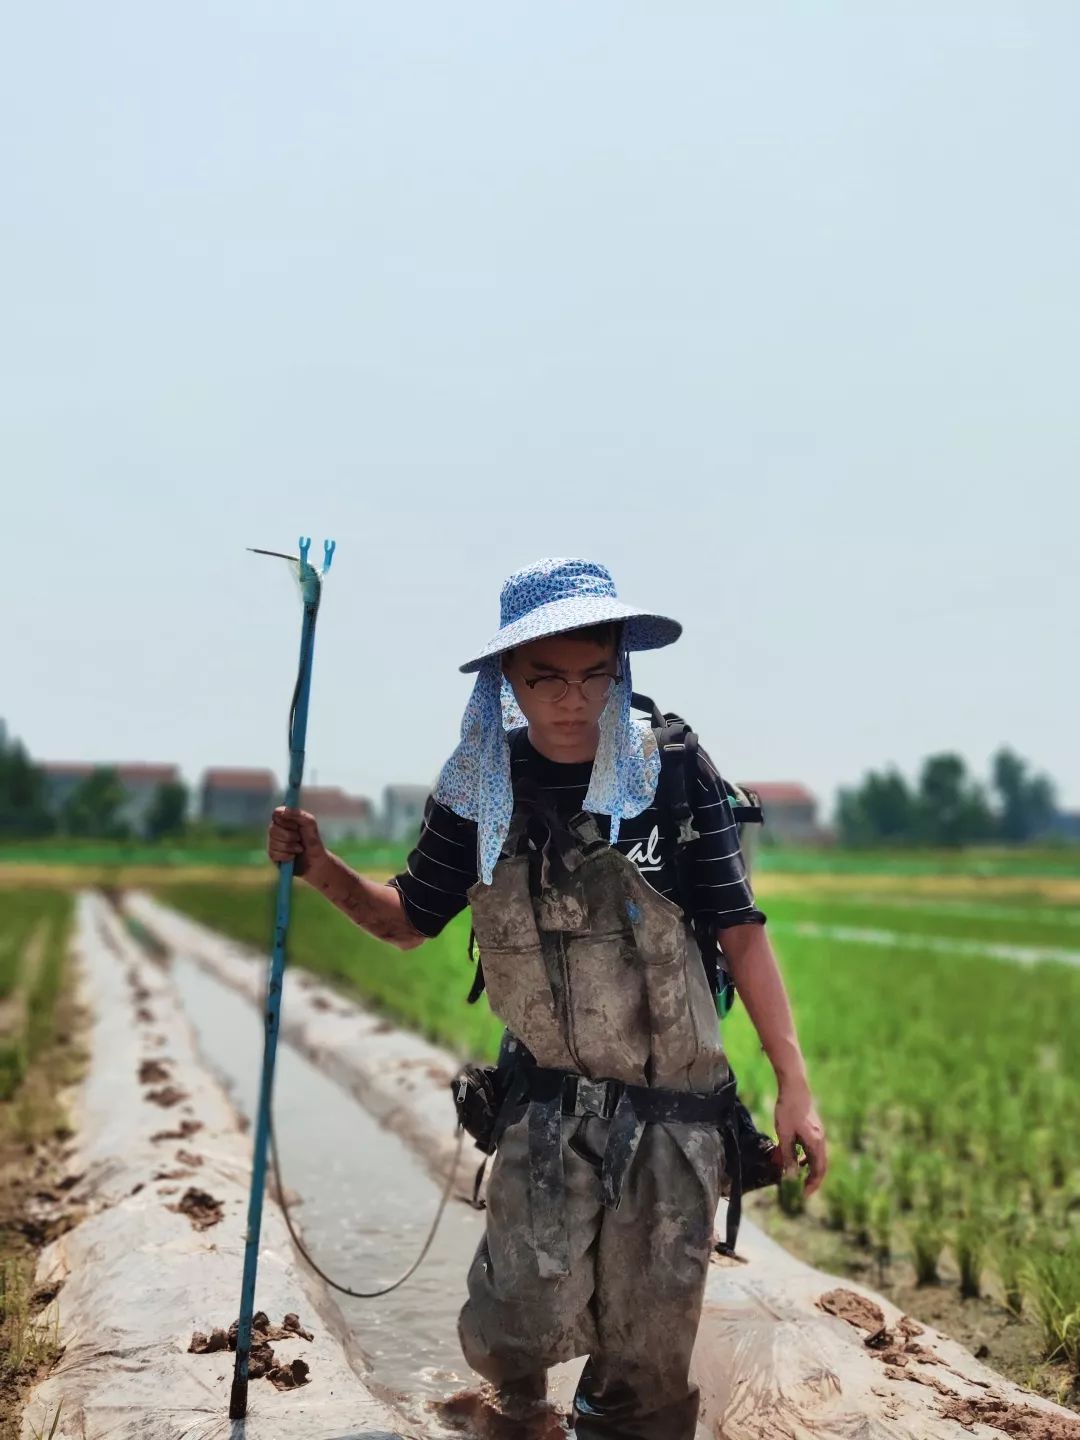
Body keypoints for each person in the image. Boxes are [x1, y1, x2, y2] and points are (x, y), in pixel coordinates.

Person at [268, 557, 827, 1440]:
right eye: (546, 679)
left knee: (646, 1360)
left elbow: (739, 930)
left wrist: (796, 1087)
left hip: (673, 1114)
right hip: (544, 1110)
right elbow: (409, 920)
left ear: (619, 668)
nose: (573, 699)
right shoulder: (478, 792)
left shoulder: (670, 774)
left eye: (592, 675)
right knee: (516, 1332)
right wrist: (321, 868)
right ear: (507, 682)